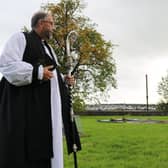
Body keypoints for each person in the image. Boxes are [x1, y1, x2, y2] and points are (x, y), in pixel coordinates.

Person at [0, 11, 81, 168]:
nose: (53, 27)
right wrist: (36, 72)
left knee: (51, 149)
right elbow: (7, 64)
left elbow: (51, 73)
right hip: (27, 112)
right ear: (40, 23)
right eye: (51, 23)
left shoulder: (48, 48)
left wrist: (64, 79)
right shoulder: (21, 38)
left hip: (49, 111)